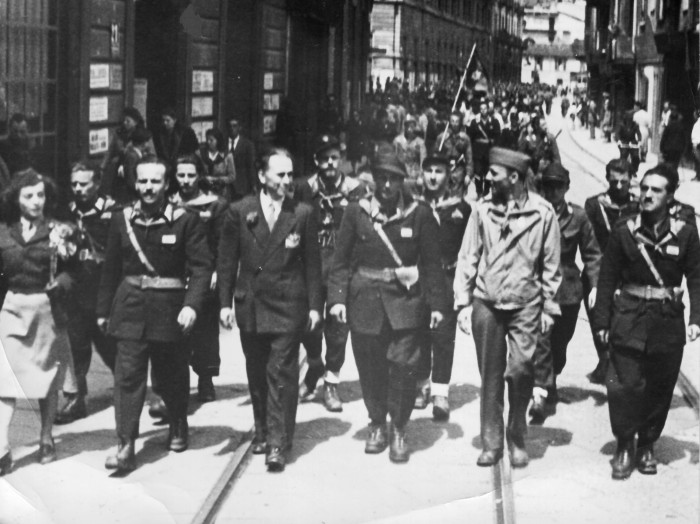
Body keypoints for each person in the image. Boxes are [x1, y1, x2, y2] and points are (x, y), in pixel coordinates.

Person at [327, 153, 448, 463]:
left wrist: (437, 305)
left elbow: (432, 265)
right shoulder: (356, 212)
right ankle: (377, 423)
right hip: (365, 301)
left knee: (404, 367)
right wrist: (337, 299)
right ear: (374, 179)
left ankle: (400, 427)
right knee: (370, 368)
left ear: (402, 181)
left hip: (406, 302)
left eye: (394, 179)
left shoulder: (418, 214)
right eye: (382, 178)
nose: (387, 185)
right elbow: (340, 262)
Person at [96, 156, 212, 472]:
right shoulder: (122, 219)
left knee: (171, 374)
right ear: (135, 183)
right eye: (143, 181)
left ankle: (177, 422)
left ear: (166, 184)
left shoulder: (185, 220)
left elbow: (201, 267)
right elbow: (111, 268)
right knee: (127, 377)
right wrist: (103, 310)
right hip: (130, 308)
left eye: (155, 181)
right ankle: (125, 444)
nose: (148, 188)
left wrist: (191, 305)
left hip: (169, 311)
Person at [454, 148, 561, 468]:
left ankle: (516, 434)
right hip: (487, 302)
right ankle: (491, 442)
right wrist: (463, 302)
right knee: (490, 374)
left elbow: (551, 265)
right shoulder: (482, 210)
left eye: (494, 173)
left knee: (521, 370)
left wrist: (549, 307)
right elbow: (468, 256)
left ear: (514, 177)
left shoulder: (542, 214)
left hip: (525, 304)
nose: (488, 178)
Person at [218, 148, 322, 473]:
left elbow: (313, 266)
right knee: (257, 370)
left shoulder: (302, 213)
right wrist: (224, 304)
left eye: (291, 174)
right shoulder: (239, 211)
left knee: (281, 372)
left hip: (288, 305)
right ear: (263, 176)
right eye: (280, 174)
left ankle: (278, 442)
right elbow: (226, 262)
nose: (287, 181)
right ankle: (262, 429)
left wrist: (315, 307)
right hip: (251, 304)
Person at [592, 165, 700, 480]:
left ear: (670, 196)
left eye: (656, 190)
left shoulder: (685, 233)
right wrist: (602, 320)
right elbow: (607, 275)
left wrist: (696, 318)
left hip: (667, 322)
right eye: (644, 188)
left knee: (660, 387)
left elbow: (696, 277)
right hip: (628, 317)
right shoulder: (624, 230)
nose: (647, 194)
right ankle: (625, 443)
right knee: (623, 386)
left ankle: (647, 443)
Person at [0, 169, 78, 475]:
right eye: (29, 195)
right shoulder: (4, 233)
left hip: (46, 310)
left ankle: (46, 438)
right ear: (16, 199)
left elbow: (76, 270)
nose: (36, 201)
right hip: (11, 309)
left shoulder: (61, 231)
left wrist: (63, 282)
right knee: (4, 380)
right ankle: (1, 448)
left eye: (41, 195)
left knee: (46, 378)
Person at [293, 135, 363, 412]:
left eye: (335, 157)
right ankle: (314, 364)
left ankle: (331, 382)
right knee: (307, 322)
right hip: (311, 265)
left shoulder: (355, 189)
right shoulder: (304, 188)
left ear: (341, 159)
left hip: (341, 267)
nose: (330, 163)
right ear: (316, 161)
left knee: (337, 328)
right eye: (324, 158)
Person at [530, 163, 601, 421]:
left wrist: (594, 285)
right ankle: (541, 390)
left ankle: (550, 377)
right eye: (548, 186)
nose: (552, 191)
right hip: (537, 287)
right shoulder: (533, 212)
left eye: (558, 186)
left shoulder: (578, 217)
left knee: (560, 343)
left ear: (567, 188)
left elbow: (592, 253)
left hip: (568, 289)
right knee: (541, 340)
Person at [55, 162, 118, 424]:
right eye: (74, 184)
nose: (78, 189)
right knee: (76, 347)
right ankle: (76, 399)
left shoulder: (112, 211)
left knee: (111, 346)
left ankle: (128, 391)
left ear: (97, 183)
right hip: (76, 290)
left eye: (83, 183)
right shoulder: (67, 212)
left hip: (104, 290)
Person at [413, 154, 471, 420]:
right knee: (419, 332)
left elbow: (469, 250)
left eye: (439, 171)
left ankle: (440, 392)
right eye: (429, 171)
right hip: (419, 279)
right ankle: (421, 385)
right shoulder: (414, 206)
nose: (433, 177)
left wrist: (466, 290)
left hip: (447, 278)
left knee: (444, 336)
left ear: (448, 176)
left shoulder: (461, 209)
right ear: (422, 175)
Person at [170, 155, 227, 402]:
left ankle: (206, 378)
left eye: (191, 175)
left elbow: (222, 243)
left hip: (205, 273)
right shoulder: (169, 203)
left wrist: (216, 272)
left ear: (199, 176)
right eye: (181, 175)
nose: (185, 180)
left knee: (205, 332)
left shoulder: (214, 205)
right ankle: (176, 382)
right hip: (176, 274)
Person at [583, 159, 638, 383]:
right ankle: (604, 358)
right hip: (600, 269)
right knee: (598, 317)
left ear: (631, 179)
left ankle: (617, 364)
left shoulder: (637, 206)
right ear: (607, 179)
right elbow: (589, 244)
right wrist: (595, 282)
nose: (619, 186)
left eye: (624, 181)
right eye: (614, 181)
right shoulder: (594, 205)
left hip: (628, 273)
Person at [101, 107, 154, 199]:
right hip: (117, 168)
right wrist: (102, 167)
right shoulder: (119, 133)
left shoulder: (142, 135)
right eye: (124, 121)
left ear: (136, 122)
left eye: (128, 121)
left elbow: (151, 153)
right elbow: (110, 151)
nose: (125, 123)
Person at [468, 102, 501, 198]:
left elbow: (498, 137)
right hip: (477, 152)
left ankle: (486, 192)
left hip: (489, 152)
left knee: (488, 173)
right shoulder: (475, 122)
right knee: (478, 173)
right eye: (481, 109)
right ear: (479, 110)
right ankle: (479, 192)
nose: (483, 111)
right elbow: (471, 137)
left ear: (488, 109)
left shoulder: (494, 122)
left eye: (485, 108)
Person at [113, 127, 154, 204]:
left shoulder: (137, 154)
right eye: (147, 141)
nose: (149, 144)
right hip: (131, 195)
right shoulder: (132, 156)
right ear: (143, 143)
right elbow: (130, 177)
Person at [435, 112, 474, 185]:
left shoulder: (465, 138)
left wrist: (468, 174)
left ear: (460, 123)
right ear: (449, 122)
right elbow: (436, 155)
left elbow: (469, 158)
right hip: (444, 169)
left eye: (457, 121)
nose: (454, 124)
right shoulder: (441, 137)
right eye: (452, 121)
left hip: (459, 170)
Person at [197, 128, 236, 200]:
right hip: (204, 192)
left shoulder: (227, 155)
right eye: (207, 139)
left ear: (218, 141)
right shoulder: (201, 154)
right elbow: (196, 172)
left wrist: (215, 179)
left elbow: (232, 177)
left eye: (211, 140)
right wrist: (203, 179)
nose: (208, 142)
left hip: (221, 193)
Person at [393, 116, 427, 189]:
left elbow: (423, 160)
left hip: (415, 174)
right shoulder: (397, 140)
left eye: (412, 126)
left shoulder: (420, 142)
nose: (409, 129)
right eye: (407, 126)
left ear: (415, 127)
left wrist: (421, 176)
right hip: (401, 173)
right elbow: (393, 158)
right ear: (404, 126)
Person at [227, 117, 257, 199]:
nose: (232, 128)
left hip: (241, 187)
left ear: (239, 128)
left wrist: (253, 185)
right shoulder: (222, 144)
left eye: (234, 126)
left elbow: (251, 166)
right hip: (226, 186)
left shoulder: (248, 145)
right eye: (230, 126)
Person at [616, 111, 642, 177]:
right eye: (628, 120)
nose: (629, 122)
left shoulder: (635, 125)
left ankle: (634, 170)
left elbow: (639, 133)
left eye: (630, 120)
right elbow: (617, 134)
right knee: (623, 156)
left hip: (632, 141)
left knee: (636, 157)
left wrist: (639, 141)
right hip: (624, 141)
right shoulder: (621, 124)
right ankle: (622, 170)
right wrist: (619, 140)